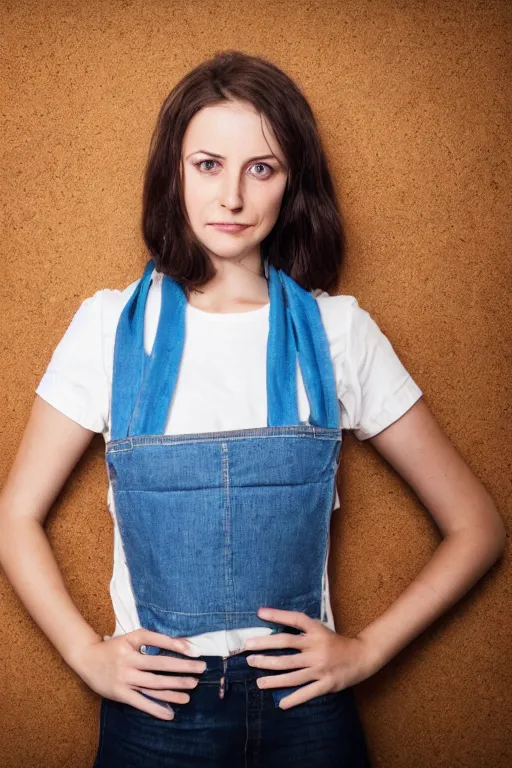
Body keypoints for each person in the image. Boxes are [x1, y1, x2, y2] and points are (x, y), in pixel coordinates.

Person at [0, 50, 505, 768]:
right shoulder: (110, 329)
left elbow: (476, 527)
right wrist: (87, 655)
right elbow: (14, 516)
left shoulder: (337, 333)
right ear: (173, 174)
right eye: (208, 164)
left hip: (307, 718)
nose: (231, 197)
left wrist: (365, 654)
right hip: (156, 717)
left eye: (260, 168)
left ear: (291, 183)